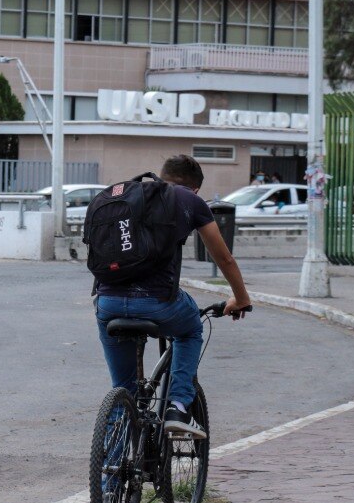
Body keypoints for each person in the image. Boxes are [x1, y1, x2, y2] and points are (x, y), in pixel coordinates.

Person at [94, 155, 252, 440]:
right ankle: (178, 407)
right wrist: (241, 299)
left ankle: (109, 480)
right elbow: (224, 259)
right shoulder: (189, 200)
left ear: (162, 175)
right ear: (194, 188)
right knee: (191, 329)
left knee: (124, 395)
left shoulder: (125, 195)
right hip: (158, 302)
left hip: (108, 302)